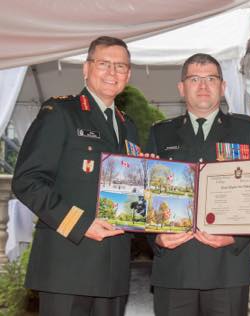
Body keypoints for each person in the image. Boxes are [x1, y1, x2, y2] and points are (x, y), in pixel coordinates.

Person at [12, 36, 139, 316]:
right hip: (67, 265)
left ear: (128, 75)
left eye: (120, 66)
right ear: (86, 68)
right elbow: (27, 181)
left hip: (113, 269)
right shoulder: (60, 112)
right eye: (104, 63)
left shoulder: (128, 126)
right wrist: (81, 224)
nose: (112, 72)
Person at [145, 53, 250, 316]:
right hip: (175, 267)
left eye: (211, 79)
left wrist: (235, 237)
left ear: (223, 87)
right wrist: (157, 239)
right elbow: (146, 194)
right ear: (181, 88)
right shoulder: (160, 133)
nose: (203, 86)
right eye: (195, 79)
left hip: (227, 268)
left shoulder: (248, 132)